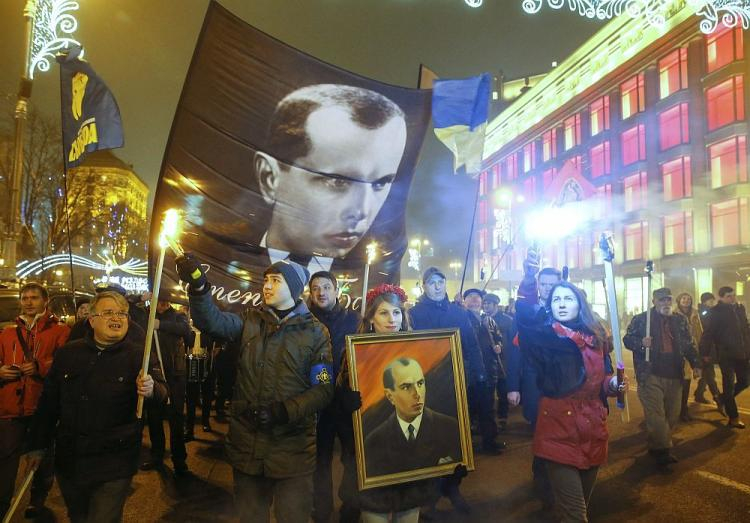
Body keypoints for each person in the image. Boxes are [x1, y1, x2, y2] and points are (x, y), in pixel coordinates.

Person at [174, 254, 334, 523]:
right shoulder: (249, 321)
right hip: (248, 448)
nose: (267, 286)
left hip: (292, 454)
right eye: (266, 280)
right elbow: (212, 321)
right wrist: (199, 286)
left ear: (294, 289)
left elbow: (323, 389)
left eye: (276, 280)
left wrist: (284, 411)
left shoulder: (317, 333)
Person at [25, 291, 166, 523]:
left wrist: (151, 389)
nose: (117, 318)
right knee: (78, 517)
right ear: (91, 320)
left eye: (122, 313)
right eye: (108, 312)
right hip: (71, 460)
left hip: (115, 461)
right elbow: (49, 403)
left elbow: (162, 392)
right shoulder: (68, 353)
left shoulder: (140, 355)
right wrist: (37, 446)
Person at [337, 284, 446, 523]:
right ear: (371, 319)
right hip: (371, 459)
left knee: (408, 514)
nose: (391, 319)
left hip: (409, 461)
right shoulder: (355, 353)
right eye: (383, 313)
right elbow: (336, 401)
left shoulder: (416, 349)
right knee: (373, 513)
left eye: (396, 312)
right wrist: (346, 402)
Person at [517, 279, 623, 523]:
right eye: (556, 299)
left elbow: (602, 379)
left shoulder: (596, 338)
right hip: (558, 431)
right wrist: (528, 282)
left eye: (568, 299)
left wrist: (613, 385)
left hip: (593, 430)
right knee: (577, 515)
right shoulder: (544, 337)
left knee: (576, 508)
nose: (561, 304)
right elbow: (525, 320)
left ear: (580, 304)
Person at [408, 267, 484, 514]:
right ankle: (429, 495)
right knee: (429, 441)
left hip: (457, 385)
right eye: (432, 283)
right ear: (424, 286)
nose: (437, 286)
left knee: (457, 440)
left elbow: (472, 345)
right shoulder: (414, 314)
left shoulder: (458, 313)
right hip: (427, 387)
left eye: (440, 282)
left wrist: (476, 376)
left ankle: (452, 488)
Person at [0, 282, 70, 518]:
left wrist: (40, 366)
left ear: (45, 301)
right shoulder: (8, 332)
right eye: (25, 298)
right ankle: (3, 503)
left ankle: (37, 500)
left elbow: (64, 363)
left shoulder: (60, 331)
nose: (28, 302)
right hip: (10, 407)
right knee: (6, 459)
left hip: (42, 406)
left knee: (42, 458)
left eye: (34, 298)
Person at [623, 288, 700, 465]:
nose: (666, 303)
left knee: (672, 415)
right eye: (662, 300)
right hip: (650, 374)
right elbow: (628, 339)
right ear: (654, 302)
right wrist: (641, 343)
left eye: (668, 300)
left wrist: (696, 364)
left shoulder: (680, 320)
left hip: (674, 373)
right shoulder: (642, 319)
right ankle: (662, 451)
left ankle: (657, 443)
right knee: (656, 415)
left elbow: (688, 344)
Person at [307, 271, 360, 523]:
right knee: (320, 459)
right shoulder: (304, 321)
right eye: (316, 288)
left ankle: (351, 505)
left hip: (346, 400)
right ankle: (321, 508)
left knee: (352, 456)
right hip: (317, 402)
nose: (321, 292)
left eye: (326, 287)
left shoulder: (354, 320)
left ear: (336, 290)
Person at [510, 249, 561, 508]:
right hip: (535, 383)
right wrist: (529, 277)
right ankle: (542, 480)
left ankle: (556, 482)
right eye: (544, 284)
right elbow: (523, 311)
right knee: (540, 432)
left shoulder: (567, 310)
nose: (549, 289)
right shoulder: (530, 311)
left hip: (562, 385)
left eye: (554, 284)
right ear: (539, 286)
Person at [141, 300, 191, 476]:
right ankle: (157, 455)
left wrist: (160, 325)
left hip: (175, 375)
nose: (161, 304)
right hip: (155, 374)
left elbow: (186, 331)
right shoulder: (147, 315)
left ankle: (179, 460)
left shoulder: (179, 316)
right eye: (158, 299)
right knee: (154, 417)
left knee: (176, 418)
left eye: (164, 300)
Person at [462, 288, 506, 453]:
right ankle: (465, 446)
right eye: (470, 297)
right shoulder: (461, 319)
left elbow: (499, 338)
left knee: (488, 409)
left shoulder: (488, 321)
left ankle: (489, 441)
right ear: (464, 301)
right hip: (469, 374)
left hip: (488, 371)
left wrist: (498, 346)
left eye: (477, 298)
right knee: (467, 410)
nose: (474, 300)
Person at [699, 286, 750, 428]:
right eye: (728, 296)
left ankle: (721, 399)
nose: (732, 298)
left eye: (733, 295)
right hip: (726, 354)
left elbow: (745, 329)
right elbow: (708, 333)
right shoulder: (715, 312)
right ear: (721, 297)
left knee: (745, 381)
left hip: (743, 353)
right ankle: (734, 418)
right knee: (728, 386)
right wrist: (704, 353)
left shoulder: (740, 308)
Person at [68, 283, 145, 343]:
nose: (115, 318)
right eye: (108, 313)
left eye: (121, 313)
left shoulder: (136, 333)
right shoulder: (80, 328)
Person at [482, 293, 514, 430]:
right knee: (488, 393)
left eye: (488, 303)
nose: (485, 306)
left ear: (495, 305)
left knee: (502, 391)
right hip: (488, 363)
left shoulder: (507, 320)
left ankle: (502, 417)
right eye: (484, 303)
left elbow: (512, 340)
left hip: (503, 361)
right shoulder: (482, 319)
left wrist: (502, 348)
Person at [674, 293, 702, 422]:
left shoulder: (695, 314)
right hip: (678, 352)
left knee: (687, 381)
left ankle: (683, 410)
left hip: (691, 351)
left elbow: (699, 332)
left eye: (688, 299)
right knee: (678, 383)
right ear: (679, 300)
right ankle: (677, 410)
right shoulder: (673, 315)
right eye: (683, 298)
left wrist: (700, 350)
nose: (686, 301)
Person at [694, 292, 720, 405]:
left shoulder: (708, 311)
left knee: (707, 373)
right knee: (709, 373)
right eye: (710, 300)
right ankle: (718, 397)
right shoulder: (704, 312)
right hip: (704, 347)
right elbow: (707, 330)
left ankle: (699, 394)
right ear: (705, 301)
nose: (712, 302)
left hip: (709, 347)